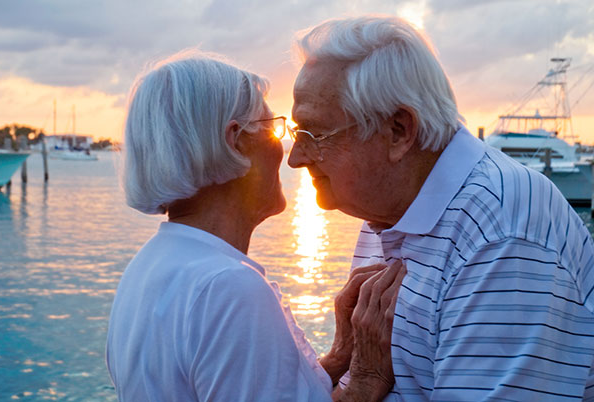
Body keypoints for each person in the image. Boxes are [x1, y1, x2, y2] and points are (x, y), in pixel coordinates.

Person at [287, 16, 594, 401]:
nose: (295, 159)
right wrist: (345, 365)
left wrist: (364, 385)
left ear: (399, 131)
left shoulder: (502, 232)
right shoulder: (385, 212)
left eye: (314, 135)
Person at [106, 50, 406, 402]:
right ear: (236, 141)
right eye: (274, 128)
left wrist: (340, 356)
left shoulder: (149, 267)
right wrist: (367, 381)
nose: (290, 154)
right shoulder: (228, 287)